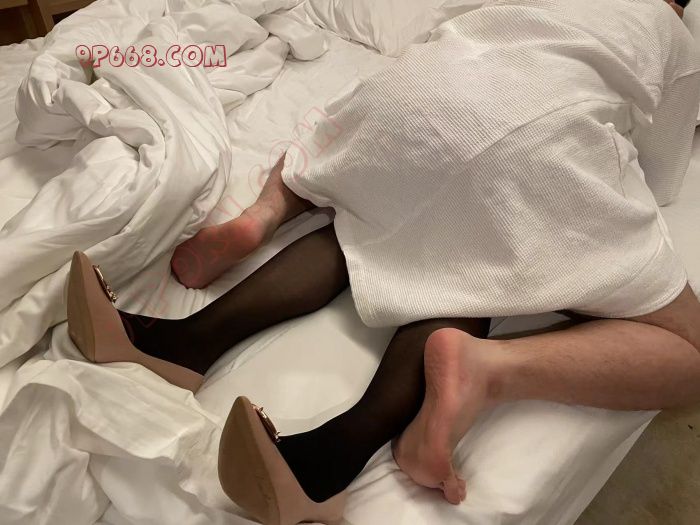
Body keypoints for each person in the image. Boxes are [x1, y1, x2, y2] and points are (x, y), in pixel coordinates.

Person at [65, 0, 700, 524]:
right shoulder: (673, 35)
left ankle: (181, 332)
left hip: (418, 92)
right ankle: (338, 454)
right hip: (537, 137)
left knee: (373, 206)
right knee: (678, 346)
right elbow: (665, 171)